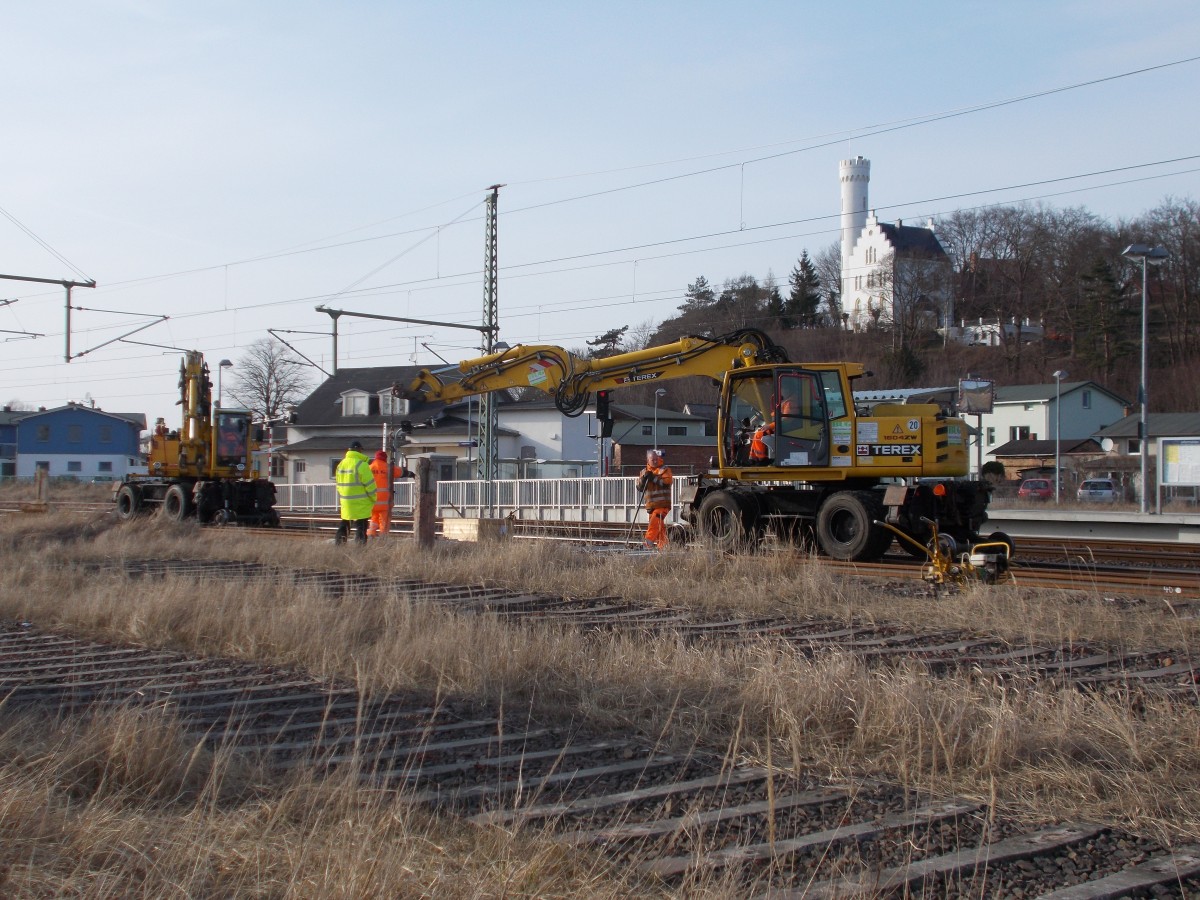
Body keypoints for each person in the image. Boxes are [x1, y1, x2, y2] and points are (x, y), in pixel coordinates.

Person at [334, 440, 376, 545]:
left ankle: (339, 545)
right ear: (358, 450)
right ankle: (360, 549)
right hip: (361, 502)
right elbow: (370, 485)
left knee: (345, 524)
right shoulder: (362, 465)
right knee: (361, 527)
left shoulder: (341, 464)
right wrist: (373, 498)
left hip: (346, 501)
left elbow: (338, 484)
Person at [367, 450, 414, 537]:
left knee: (374, 518)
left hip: (372, 501)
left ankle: (370, 534)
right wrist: (411, 474)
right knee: (384, 521)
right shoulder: (388, 467)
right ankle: (383, 538)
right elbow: (401, 473)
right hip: (385, 501)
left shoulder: (369, 468)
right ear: (385, 458)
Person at [636, 448, 673, 550]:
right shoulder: (643, 472)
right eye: (653, 460)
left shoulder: (665, 469)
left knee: (654, 524)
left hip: (663, 504)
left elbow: (667, 483)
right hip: (651, 505)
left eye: (656, 459)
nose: (655, 461)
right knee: (659, 527)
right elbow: (639, 488)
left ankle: (647, 544)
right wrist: (643, 480)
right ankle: (663, 547)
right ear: (648, 460)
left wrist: (653, 478)